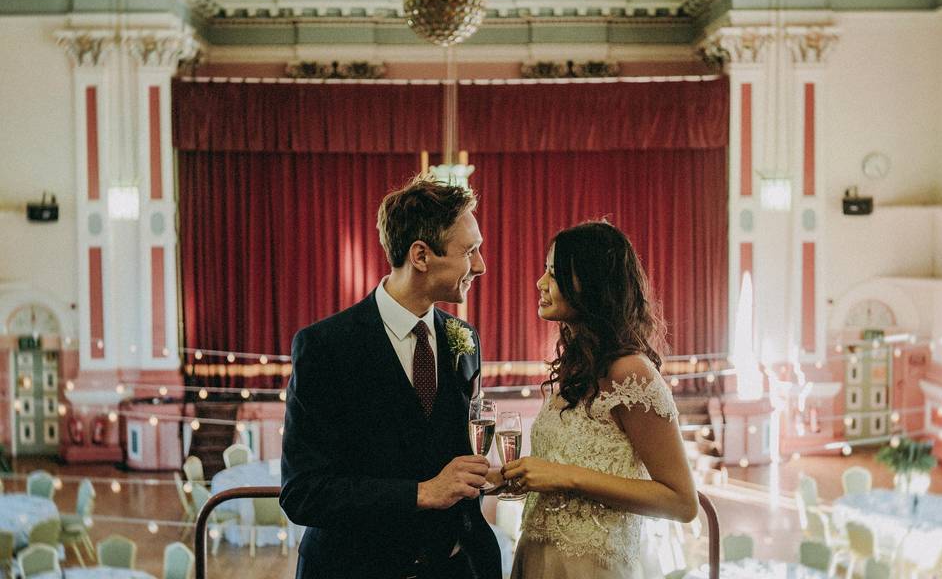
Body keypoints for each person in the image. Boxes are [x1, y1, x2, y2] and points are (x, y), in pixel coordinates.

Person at [281, 176, 502, 579]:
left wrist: (488, 477)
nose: (481, 266)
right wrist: (421, 493)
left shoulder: (464, 340)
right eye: (470, 251)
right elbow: (303, 492)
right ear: (421, 255)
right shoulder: (325, 347)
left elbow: (453, 451)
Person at [504, 221, 698, 579]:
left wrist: (565, 476)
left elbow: (682, 502)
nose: (540, 283)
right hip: (537, 558)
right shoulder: (578, 367)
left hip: (590, 568)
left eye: (555, 273)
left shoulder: (630, 372)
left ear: (591, 284)